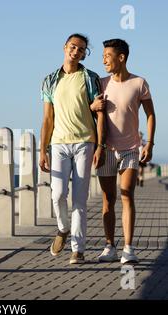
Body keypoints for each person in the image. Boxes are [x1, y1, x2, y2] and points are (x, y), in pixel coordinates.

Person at [39, 33, 105, 264]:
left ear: (85, 53)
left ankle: (78, 249)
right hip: (58, 143)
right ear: (65, 47)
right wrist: (42, 150)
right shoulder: (50, 80)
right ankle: (62, 229)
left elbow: (100, 112)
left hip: (85, 142)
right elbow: (48, 119)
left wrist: (100, 146)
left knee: (79, 199)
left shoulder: (90, 78)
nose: (76, 52)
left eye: (81, 49)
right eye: (73, 47)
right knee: (57, 194)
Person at [91, 39, 156, 264]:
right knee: (108, 199)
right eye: (103, 55)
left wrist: (150, 144)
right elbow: (91, 112)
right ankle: (110, 246)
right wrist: (92, 107)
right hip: (106, 148)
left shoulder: (139, 83)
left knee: (127, 193)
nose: (103, 60)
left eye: (107, 55)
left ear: (121, 57)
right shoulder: (101, 83)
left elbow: (150, 115)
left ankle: (128, 248)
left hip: (130, 148)